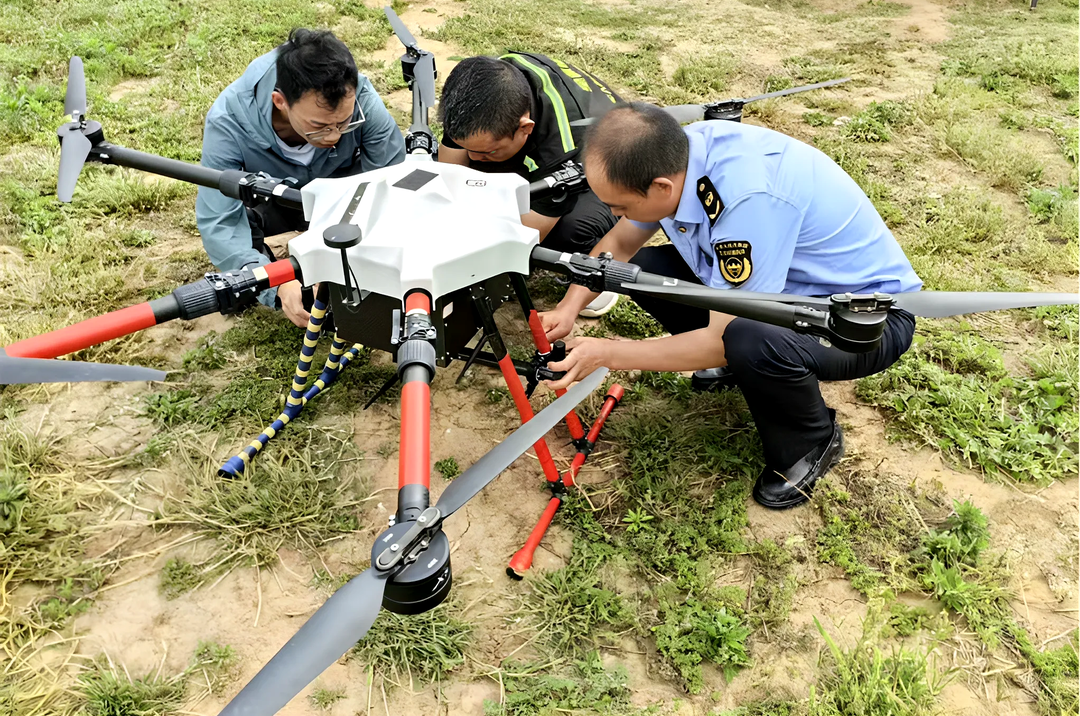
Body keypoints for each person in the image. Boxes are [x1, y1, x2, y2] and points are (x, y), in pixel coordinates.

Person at [539, 103, 922, 509]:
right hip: (785, 293)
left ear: (661, 188)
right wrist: (568, 307)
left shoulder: (746, 201)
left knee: (747, 339)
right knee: (644, 272)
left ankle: (810, 442)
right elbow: (619, 244)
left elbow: (720, 340)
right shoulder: (678, 157)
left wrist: (606, 353)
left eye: (621, 207)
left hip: (861, 321)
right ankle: (739, 368)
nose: (615, 214)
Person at [197, 28, 406, 326]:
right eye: (319, 126)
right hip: (276, 203)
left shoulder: (362, 98)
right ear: (280, 102)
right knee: (246, 257)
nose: (334, 136)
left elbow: (391, 181)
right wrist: (274, 281)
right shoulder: (229, 122)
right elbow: (220, 220)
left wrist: (349, 259)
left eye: (344, 123)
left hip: (344, 198)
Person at [437, 54, 622, 317]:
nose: (474, 158)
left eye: (487, 151)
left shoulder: (562, 146)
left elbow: (528, 233)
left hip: (607, 168)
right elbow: (449, 175)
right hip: (537, 146)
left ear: (525, 128)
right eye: (468, 148)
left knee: (566, 231)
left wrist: (468, 273)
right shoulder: (477, 93)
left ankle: (595, 268)